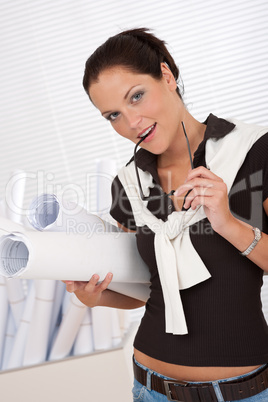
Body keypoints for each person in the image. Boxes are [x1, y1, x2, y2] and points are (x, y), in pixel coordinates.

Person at [64, 28, 268, 401]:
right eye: (114, 115)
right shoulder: (127, 185)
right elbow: (148, 290)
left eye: (137, 96)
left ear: (167, 76)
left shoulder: (254, 152)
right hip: (151, 386)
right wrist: (96, 298)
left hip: (244, 392)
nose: (132, 123)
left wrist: (228, 222)